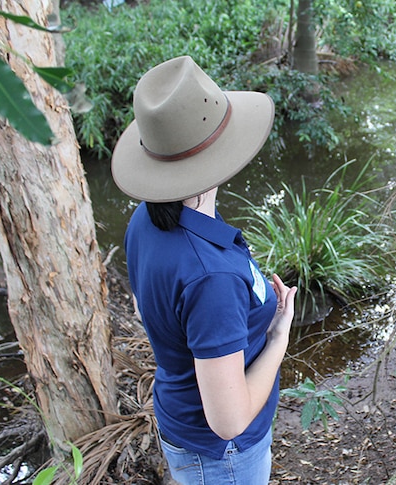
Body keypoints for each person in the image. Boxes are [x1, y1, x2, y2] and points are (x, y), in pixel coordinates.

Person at [110, 55, 297, 485]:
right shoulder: (211, 277)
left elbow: (146, 309)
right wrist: (278, 338)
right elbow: (228, 422)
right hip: (222, 456)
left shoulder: (146, 218)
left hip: (179, 418)